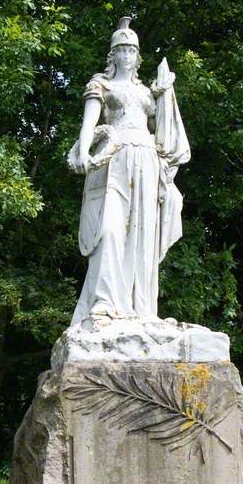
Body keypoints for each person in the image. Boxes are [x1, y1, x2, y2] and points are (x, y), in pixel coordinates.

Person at [68, 18, 191, 325]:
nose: (126, 55)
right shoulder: (102, 84)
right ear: (113, 55)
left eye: (131, 50)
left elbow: (163, 129)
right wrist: (83, 151)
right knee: (109, 229)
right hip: (112, 161)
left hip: (146, 159)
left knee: (141, 233)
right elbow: (90, 123)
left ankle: (140, 308)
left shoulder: (148, 93)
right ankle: (104, 302)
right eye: (120, 50)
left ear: (137, 56)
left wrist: (166, 95)